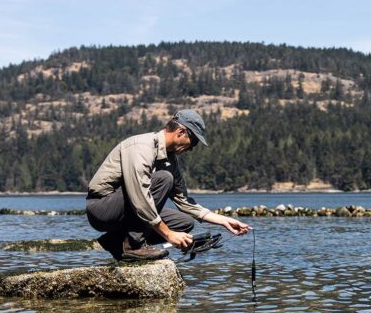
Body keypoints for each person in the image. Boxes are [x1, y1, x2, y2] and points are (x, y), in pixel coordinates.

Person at [86, 109, 251, 260]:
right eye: (193, 142)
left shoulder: (170, 160)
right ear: (181, 131)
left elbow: (184, 201)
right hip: (102, 209)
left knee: (184, 223)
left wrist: (224, 221)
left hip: (126, 209)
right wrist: (169, 235)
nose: (192, 148)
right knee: (164, 178)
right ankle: (133, 246)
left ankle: (114, 242)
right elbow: (140, 198)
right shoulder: (141, 147)